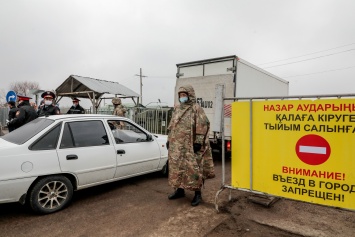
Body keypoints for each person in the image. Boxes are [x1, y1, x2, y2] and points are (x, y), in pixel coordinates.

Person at [166, 85, 215, 207]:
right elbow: (172, 125)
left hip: (191, 146)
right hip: (177, 146)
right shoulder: (177, 108)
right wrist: (169, 139)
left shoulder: (196, 108)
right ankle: (180, 190)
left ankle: (197, 193)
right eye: (180, 95)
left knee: (194, 169)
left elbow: (203, 125)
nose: (182, 97)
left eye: (184, 95)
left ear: (190, 95)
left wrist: (198, 141)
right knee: (178, 168)